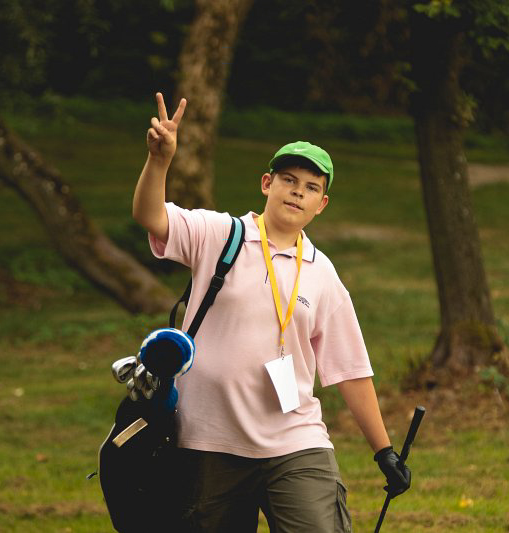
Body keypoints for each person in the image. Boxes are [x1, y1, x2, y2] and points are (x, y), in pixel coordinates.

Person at [132, 93, 411, 532]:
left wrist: (384, 451)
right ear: (267, 183)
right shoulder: (219, 234)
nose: (298, 191)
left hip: (294, 442)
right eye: (289, 179)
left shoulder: (322, 274)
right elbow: (150, 216)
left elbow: (352, 371)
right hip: (207, 441)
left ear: (321, 204)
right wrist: (159, 161)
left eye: (312, 187)